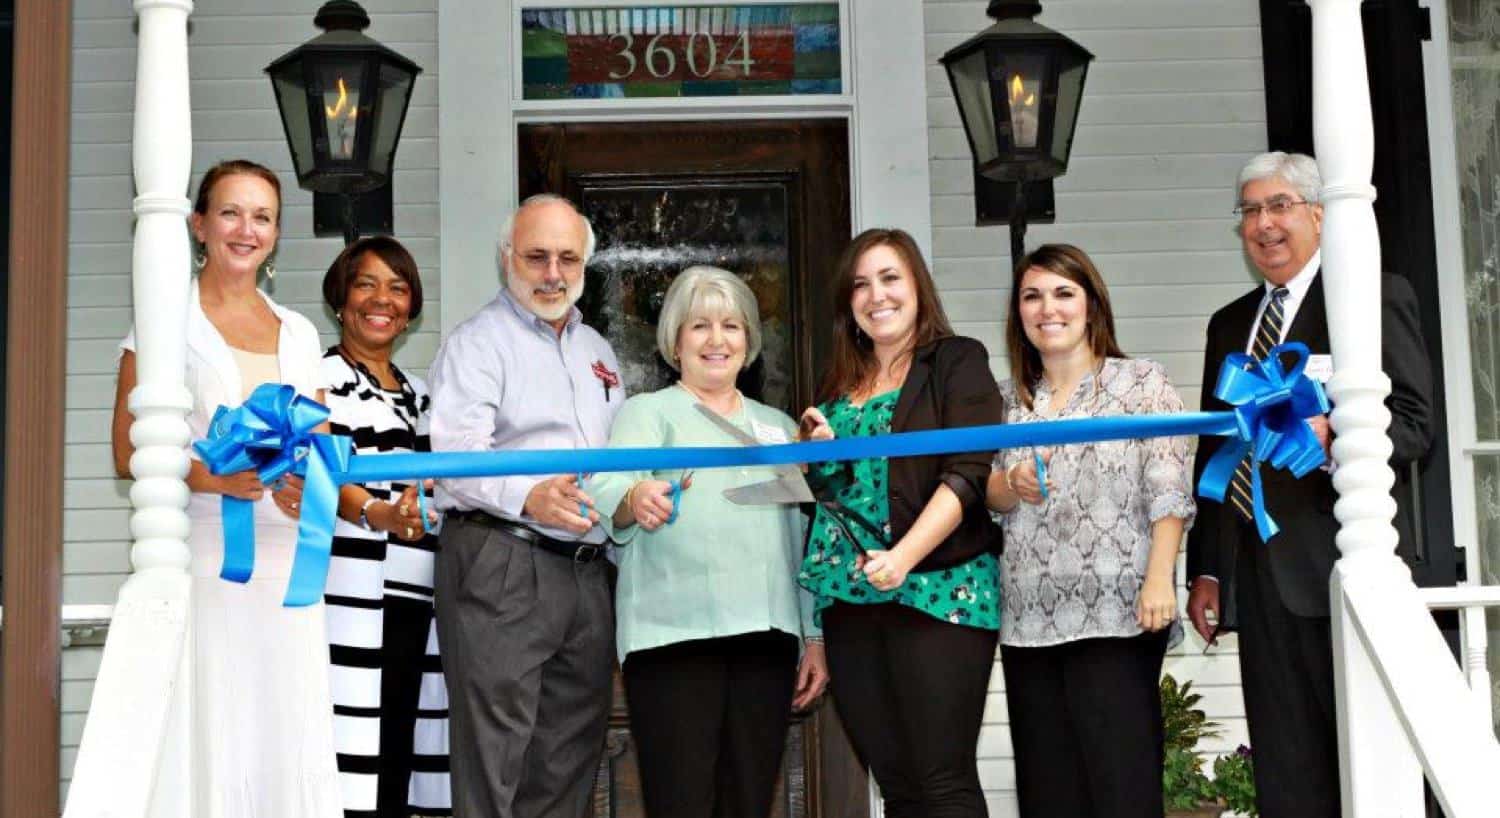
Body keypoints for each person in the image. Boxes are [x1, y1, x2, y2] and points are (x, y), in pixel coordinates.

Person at [1184, 151, 1435, 818]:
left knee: (1368, 762)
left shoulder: (1371, 296)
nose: (1263, 224)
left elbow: (1415, 426)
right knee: (1287, 772)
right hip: (1258, 577)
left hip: (1342, 571)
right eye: (1250, 211)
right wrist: (1206, 570)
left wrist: (1335, 437)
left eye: (1279, 206)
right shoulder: (1229, 325)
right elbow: (1217, 451)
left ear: (1319, 216)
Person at [110, 159, 341, 816]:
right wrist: (216, 476)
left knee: (285, 721)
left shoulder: (297, 331)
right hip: (209, 555)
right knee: (215, 715)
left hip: (287, 563)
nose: (247, 229)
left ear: (276, 233)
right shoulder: (163, 321)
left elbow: (316, 444)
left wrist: (304, 485)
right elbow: (126, 448)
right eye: (232, 213)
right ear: (199, 225)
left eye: (263, 216)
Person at [586, 265, 829, 818]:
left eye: (732, 326)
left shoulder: (778, 425)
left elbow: (802, 536)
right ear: (675, 340)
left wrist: (813, 634)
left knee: (748, 802)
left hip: (766, 640)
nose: (717, 340)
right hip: (672, 640)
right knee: (681, 804)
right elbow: (607, 486)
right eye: (700, 326)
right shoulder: (646, 414)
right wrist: (636, 499)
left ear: (749, 342)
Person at [427, 193, 623, 818]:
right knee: (495, 759)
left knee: (570, 755)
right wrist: (529, 495)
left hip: (589, 570)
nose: (553, 273)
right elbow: (456, 457)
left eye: (568, 258)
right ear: (506, 259)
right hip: (502, 558)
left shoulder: (599, 351)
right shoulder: (478, 343)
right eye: (537, 257)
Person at [797, 228, 1004, 818]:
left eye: (890, 278)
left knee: (942, 780)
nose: (875, 295)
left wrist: (904, 557)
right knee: (897, 783)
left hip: (939, 590)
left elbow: (967, 473)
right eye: (861, 284)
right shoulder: (838, 384)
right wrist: (819, 455)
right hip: (850, 599)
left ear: (918, 287)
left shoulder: (956, 360)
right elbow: (832, 500)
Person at [984, 243, 1194, 818]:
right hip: (1028, 617)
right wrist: (1011, 482)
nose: (1046, 308)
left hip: (1118, 610)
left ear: (1091, 305)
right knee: (1050, 793)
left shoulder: (1141, 382)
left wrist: (1160, 580)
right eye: (1032, 296)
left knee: (1121, 785)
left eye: (1062, 293)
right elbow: (985, 493)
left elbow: (1170, 487)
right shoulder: (1006, 402)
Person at [320, 236, 451, 818]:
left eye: (397, 287)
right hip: (356, 600)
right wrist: (381, 513)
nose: (383, 300)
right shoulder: (318, 379)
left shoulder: (422, 394)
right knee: (355, 763)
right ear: (341, 300)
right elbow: (322, 475)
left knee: (401, 757)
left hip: (421, 602)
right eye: (366, 284)